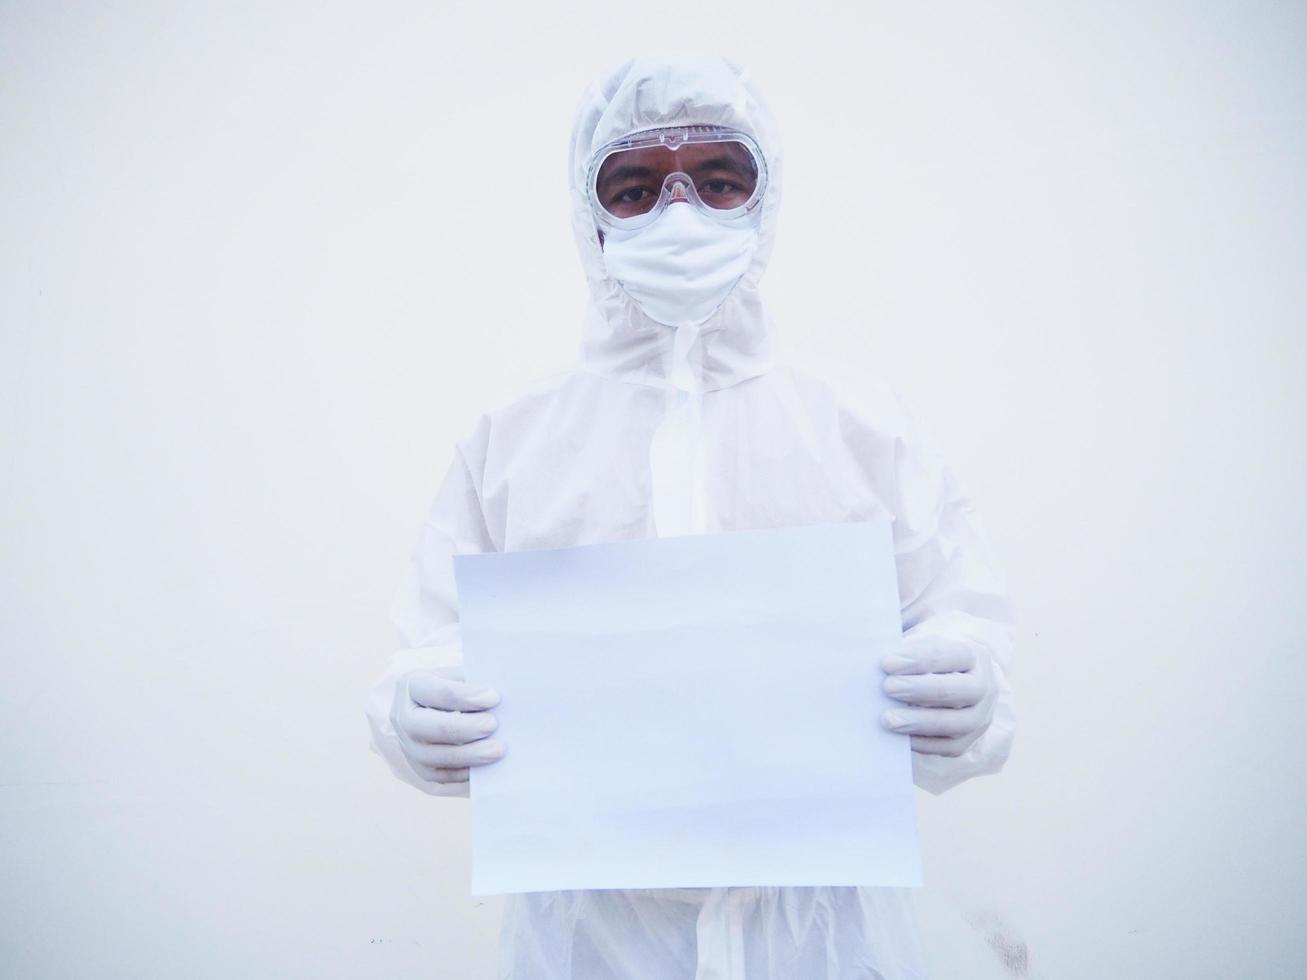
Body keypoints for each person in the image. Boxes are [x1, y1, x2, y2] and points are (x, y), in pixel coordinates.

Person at [365, 53, 1015, 980]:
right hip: (588, 947)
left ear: (767, 197)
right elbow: (428, 644)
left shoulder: (860, 423)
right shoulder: (512, 440)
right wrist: (413, 714)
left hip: (828, 946)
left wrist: (970, 688)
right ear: (588, 213)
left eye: (719, 180)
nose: (680, 214)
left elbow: (964, 615)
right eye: (634, 187)